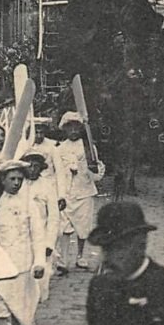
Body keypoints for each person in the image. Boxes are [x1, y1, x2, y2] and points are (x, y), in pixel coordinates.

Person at [0, 160, 46, 325]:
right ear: (2, 180)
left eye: (19, 179)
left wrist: (39, 261)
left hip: (21, 262)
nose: (16, 183)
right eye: (11, 179)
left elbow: (38, 234)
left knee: (18, 304)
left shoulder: (29, 203)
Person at [55, 111, 105, 269]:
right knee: (64, 227)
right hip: (66, 192)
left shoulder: (89, 147)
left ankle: (80, 256)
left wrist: (94, 169)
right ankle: (63, 259)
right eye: (70, 128)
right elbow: (57, 172)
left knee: (83, 227)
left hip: (84, 191)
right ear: (65, 129)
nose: (73, 131)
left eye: (76, 127)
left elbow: (95, 172)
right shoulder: (60, 148)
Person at [21, 153, 61, 302]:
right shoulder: (20, 183)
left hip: (42, 233)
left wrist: (50, 242)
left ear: (41, 168)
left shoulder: (47, 186)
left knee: (42, 272)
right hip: (24, 233)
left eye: (35, 166)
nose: (32, 169)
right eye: (29, 166)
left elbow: (53, 217)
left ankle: (39, 298)